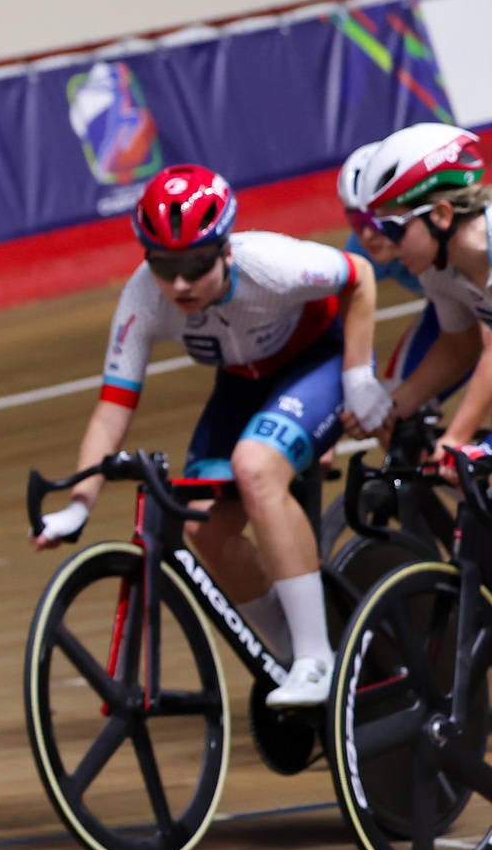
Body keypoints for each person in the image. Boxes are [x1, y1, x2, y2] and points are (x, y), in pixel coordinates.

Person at [34, 165, 387, 707]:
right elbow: (111, 410)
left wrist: (359, 377)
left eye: (196, 266)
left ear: (225, 250)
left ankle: (319, 662)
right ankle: (291, 657)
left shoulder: (271, 264)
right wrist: (80, 504)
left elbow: (358, 274)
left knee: (255, 467)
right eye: (163, 266)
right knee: (201, 525)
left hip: (317, 364)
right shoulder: (142, 300)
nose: (179, 285)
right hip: (242, 383)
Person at [365, 125, 492, 641]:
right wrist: (395, 405)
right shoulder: (443, 269)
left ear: (439, 215)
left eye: (394, 228)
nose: (384, 246)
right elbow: (457, 349)